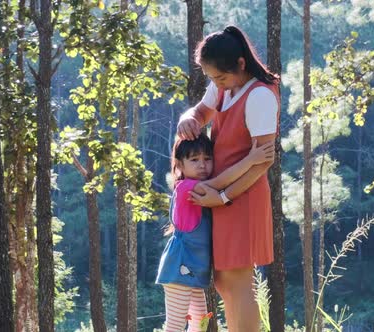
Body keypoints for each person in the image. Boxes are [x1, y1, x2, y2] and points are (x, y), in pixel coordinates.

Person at [177, 25, 280, 332]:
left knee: (238, 282)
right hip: (220, 197)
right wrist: (188, 118)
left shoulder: (260, 96)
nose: (215, 84)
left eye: (219, 78)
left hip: (241, 197)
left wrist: (222, 197)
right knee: (224, 281)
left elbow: (262, 162)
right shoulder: (225, 86)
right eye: (211, 78)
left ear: (240, 64)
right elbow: (200, 112)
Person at [156, 133, 274, 331]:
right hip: (178, 270)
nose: (202, 165)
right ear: (180, 165)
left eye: (207, 159)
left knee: (200, 322)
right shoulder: (187, 188)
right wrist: (251, 160)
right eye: (194, 160)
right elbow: (221, 183)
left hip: (193, 273)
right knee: (175, 326)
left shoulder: (199, 188)